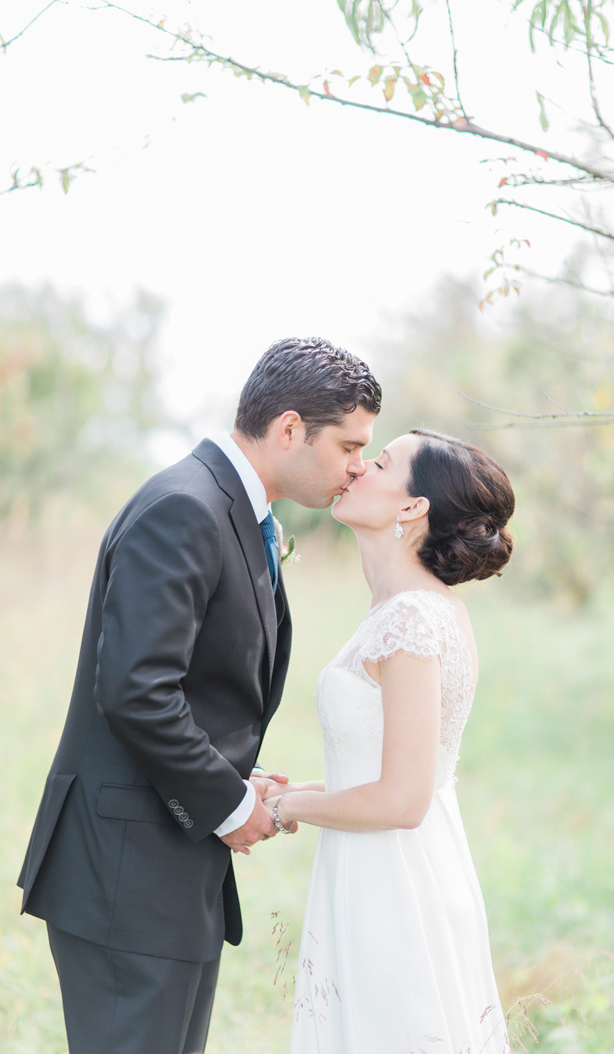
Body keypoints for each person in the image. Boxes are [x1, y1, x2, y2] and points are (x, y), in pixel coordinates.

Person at [16, 337, 381, 1053]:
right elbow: (136, 690)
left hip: (166, 874)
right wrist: (230, 802)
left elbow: (191, 684)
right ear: (288, 429)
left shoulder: (234, 511)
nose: (358, 465)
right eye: (349, 444)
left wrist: (231, 775)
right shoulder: (185, 507)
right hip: (125, 879)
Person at [268, 428, 514, 1054]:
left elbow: (404, 800)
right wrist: (290, 788)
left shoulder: (412, 617)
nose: (354, 471)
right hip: (379, 864)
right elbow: (382, 775)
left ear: (412, 508)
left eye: (377, 463)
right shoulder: (402, 609)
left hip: (395, 880)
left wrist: (283, 807)